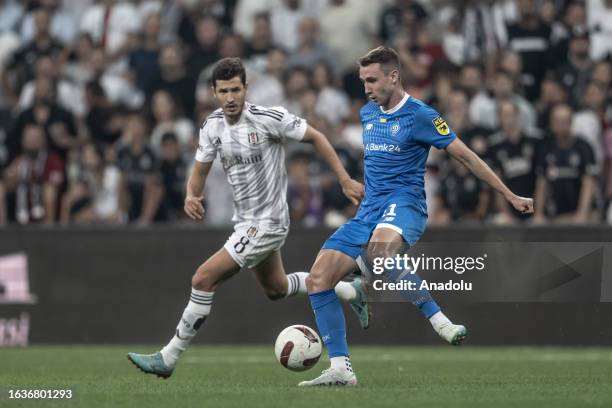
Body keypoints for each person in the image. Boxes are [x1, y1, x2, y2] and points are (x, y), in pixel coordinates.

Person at [299, 47, 534, 387]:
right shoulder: (367, 113)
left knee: (380, 253)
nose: (366, 88)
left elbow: (466, 157)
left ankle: (441, 322)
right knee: (318, 280)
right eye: (363, 80)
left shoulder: (422, 115)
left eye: (372, 80)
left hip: (405, 205)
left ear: (394, 76)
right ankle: (340, 367)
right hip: (368, 211)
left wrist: (508, 194)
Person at [127, 58, 368, 378]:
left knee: (202, 278)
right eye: (224, 90)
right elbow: (199, 169)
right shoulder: (211, 125)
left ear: (246, 89)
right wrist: (191, 194)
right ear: (214, 92)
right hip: (246, 220)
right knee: (277, 288)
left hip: (268, 221)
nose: (230, 97)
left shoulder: (269, 118)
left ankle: (168, 357)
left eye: (236, 90)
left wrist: (344, 179)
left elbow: (318, 138)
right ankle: (349, 289)